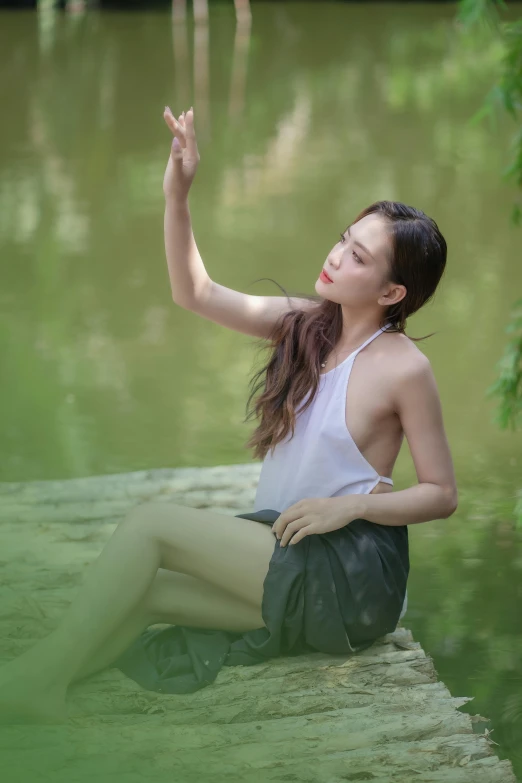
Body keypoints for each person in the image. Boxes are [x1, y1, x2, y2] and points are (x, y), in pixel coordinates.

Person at [0, 106, 458, 722]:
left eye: (358, 257)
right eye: (343, 241)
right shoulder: (305, 325)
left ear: (392, 292)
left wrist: (349, 505)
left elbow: (441, 493)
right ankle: (41, 687)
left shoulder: (403, 367)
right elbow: (195, 292)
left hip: (349, 577)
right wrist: (178, 195)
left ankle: (31, 679)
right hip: (286, 551)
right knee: (149, 590)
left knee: (150, 525)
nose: (336, 256)